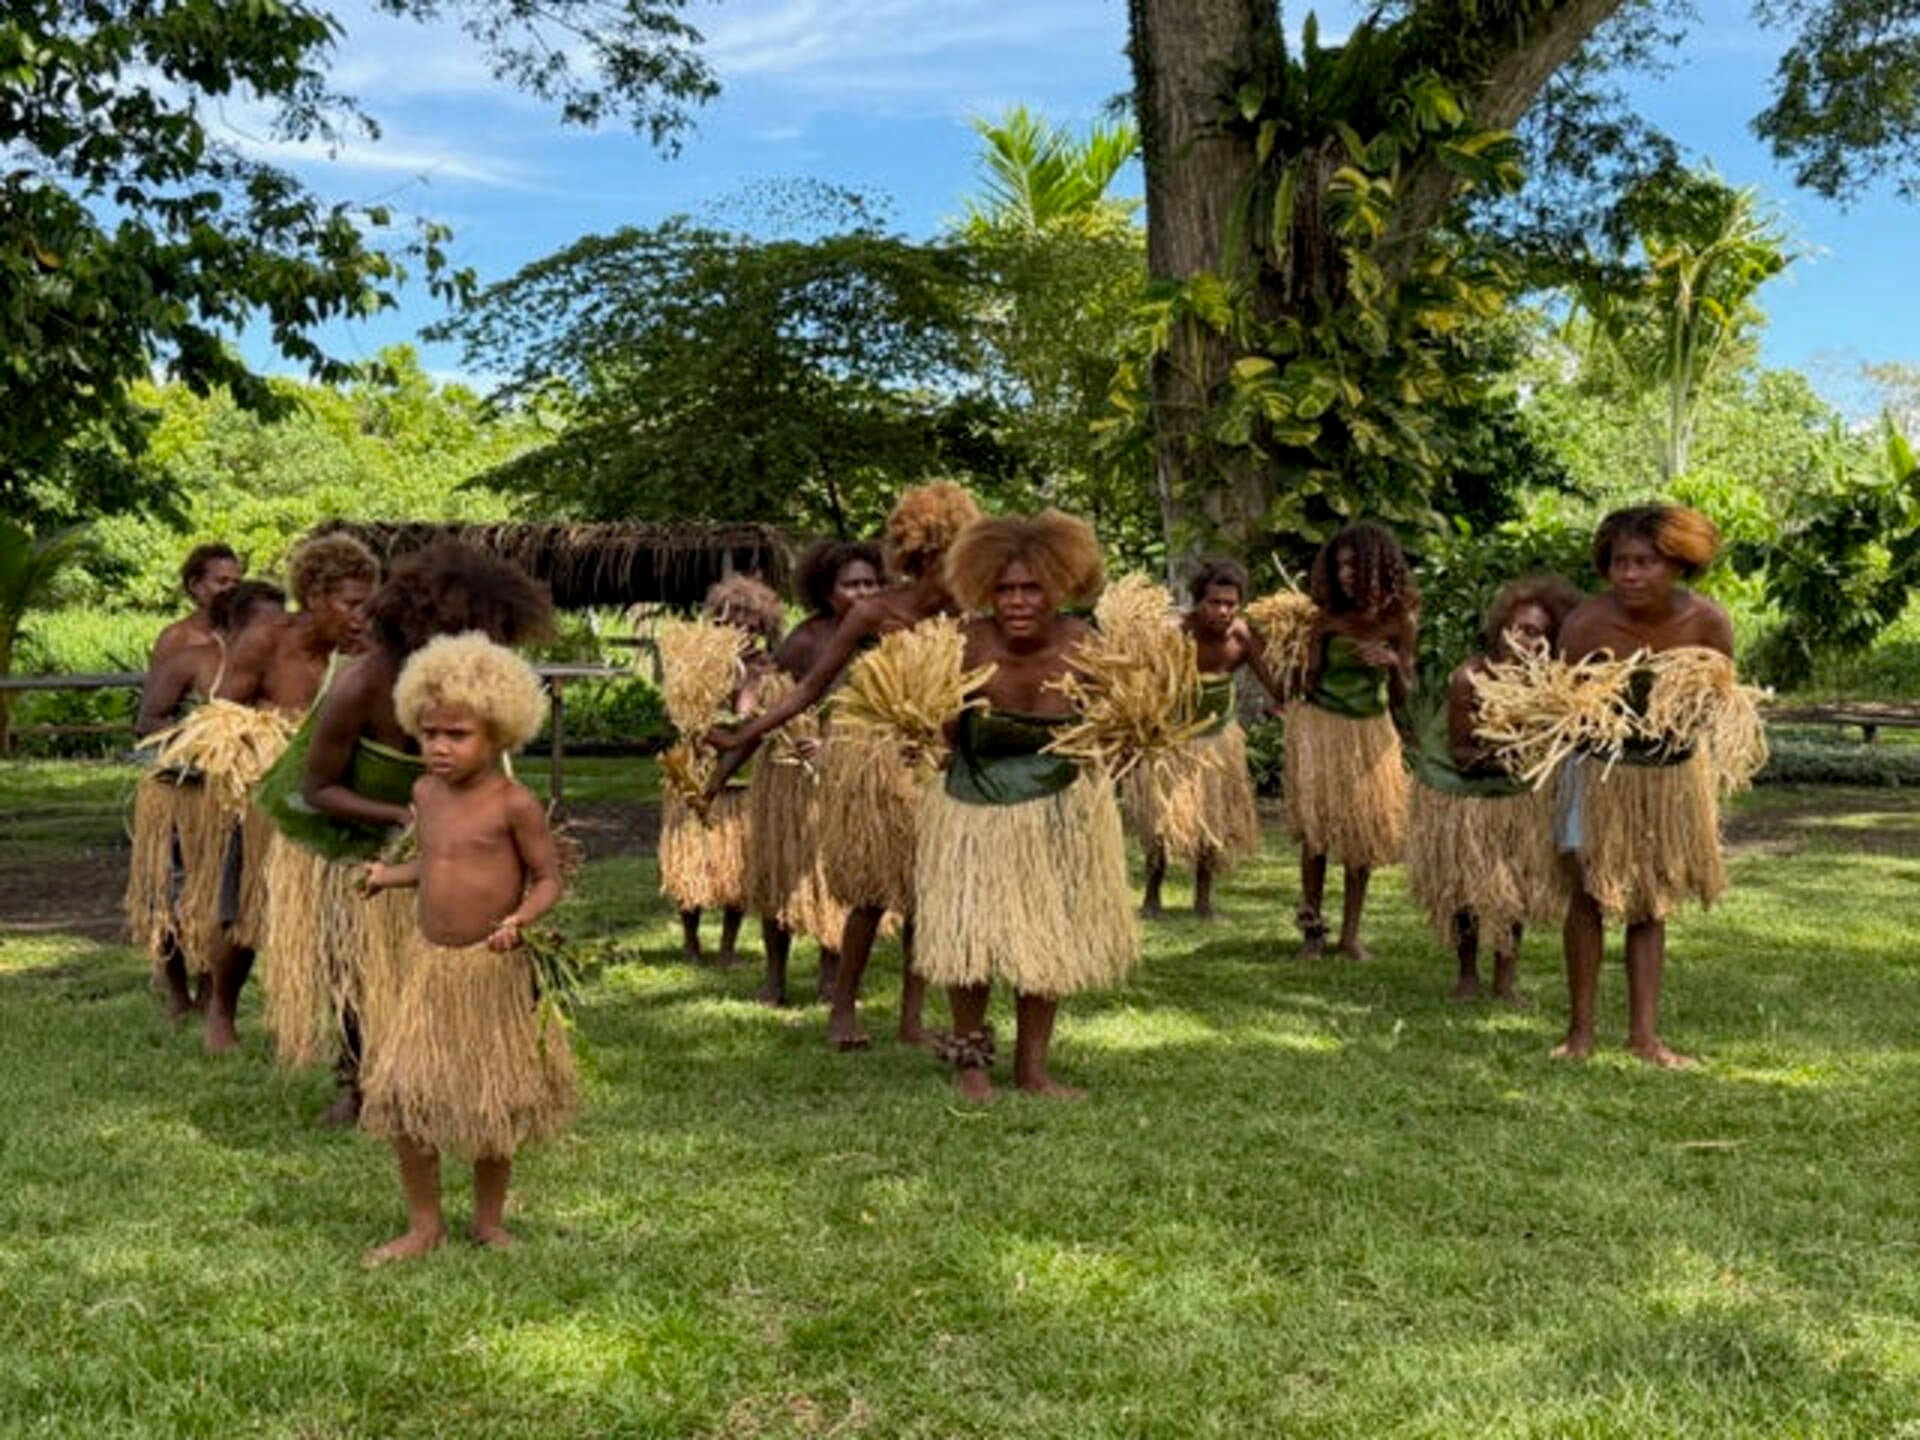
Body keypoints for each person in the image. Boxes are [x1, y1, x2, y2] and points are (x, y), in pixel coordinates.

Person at [255, 542, 553, 1124]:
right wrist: (399, 820)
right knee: (356, 971)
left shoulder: (471, 692)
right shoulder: (362, 684)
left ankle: (447, 1075)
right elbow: (318, 790)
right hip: (351, 843)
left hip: (446, 851)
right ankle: (356, 1082)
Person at [711, 482, 983, 1050]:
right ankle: (842, 1009)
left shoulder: (965, 621)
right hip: (869, 760)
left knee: (927, 893)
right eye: (952, 560)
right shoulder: (873, 613)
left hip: (934, 762)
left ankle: (911, 1020)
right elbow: (807, 689)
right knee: (873, 890)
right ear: (925, 558)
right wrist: (745, 734)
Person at [360, 632, 576, 1265]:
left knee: (493, 1099)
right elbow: (433, 864)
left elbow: (548, 879)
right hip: (432, 968)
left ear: (500, 734)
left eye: (457, 735)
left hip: (490, 969)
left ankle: (488, 1221)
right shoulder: (425, 796)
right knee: (406, 1098)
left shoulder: (515, 803)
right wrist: (385, 878)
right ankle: (424, 1223)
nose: (439, 747)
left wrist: (518, 920)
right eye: (429, 734)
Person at [914, 511, 1135, 1101]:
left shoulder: (1088, 648)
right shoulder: (963, 643)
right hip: (971, 807)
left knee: (1046, 938)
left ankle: (1032, 1070)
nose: (1015, 601)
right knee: (971, 937)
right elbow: (938, 736)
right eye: (1006, 588)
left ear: (1060, 587)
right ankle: (971, 1064)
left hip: (1058, 807)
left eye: (1031, 588)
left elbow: (1112, 731)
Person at [1553, 505, 1733, 1067]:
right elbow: (1563, 707)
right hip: (1594, 771)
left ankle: (1644, 1036)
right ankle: (1580, 1033)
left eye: (1644, 563)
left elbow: (1719, 702)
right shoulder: (1586, 624)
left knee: (1649, 902)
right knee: (1586, 894)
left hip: (1667, 777)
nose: (1628, 574)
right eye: (1619, 563)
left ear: (1678, 564)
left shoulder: (1708, 623)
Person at [1406, 575, 1583, 1005]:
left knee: (1514, 889)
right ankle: (1467, 975)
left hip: (1515, 797)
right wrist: (1518, 749)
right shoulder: (1469, 677)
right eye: (1516, 627)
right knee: (1463, 888)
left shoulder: (1548, 690)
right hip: (1460, 793)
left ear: (1551, 640)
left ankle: (1506, 979)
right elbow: (1464, 754)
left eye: (1533, 632)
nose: (1518, 639)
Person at [124, 581, 288, 1025]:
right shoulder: (191, 661)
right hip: (180, 796)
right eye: (266, 625)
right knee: (171, 897)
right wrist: (210, 737)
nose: (276, 634)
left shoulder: (279, 673)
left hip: (233, 802)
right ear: (236, 624)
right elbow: (148, 722)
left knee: (223, 902)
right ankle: (179, 995)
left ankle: (215, 995)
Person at [744, 539, 883, 1005]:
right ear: (827, 591)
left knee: (839, 877)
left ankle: (831, 977)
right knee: (782, 874)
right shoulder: (806, 639)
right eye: (851, 585)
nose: (863, 593)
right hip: (795, 774)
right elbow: (774, 701)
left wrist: (841, 745)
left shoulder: (885, 639)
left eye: (870, 583)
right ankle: (775, 977)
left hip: (853, 770)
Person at [1284, 523, 1417, 962]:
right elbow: (1304, 684)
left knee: (1363, 832)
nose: (1345, 574)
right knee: (1317, 833)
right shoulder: (1323, 619)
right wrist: (1302, 653)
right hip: (1323, 727)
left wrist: (1394, 663)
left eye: (1354, 565)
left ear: (1378, 566)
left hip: (1371, 732)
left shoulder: (1399, 620)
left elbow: (1405, 693)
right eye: (1339, 565)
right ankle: (1311, 930)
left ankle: (1350, 934)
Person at [1132, 559, 1284, 919]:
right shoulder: (1173, 633)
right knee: (1161, 820)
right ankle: (1152, 898)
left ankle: (1203, 901)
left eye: (1230, 603)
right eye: (1214, 602)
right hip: (1171, 740)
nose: (1222, 610)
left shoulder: (1242, 637)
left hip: (1217, 740)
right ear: (1198, 602)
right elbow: (1141, 683)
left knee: (1210, 819)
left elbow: (1277, 685)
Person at [659, 574, 785, 966]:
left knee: (737, 863)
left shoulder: (770, 668)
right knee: (691, 860)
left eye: (751, 620)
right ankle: (692, 940)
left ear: (765, 624)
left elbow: (768, 719)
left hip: (746, 776)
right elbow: (683, 715)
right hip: (696, 771)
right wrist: (717, 736)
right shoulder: (698, 664)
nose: (743, 627)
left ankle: (729, 945)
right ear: (719, 620)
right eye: (734, 619)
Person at [221, 532, 381, 714]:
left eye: (368, 605)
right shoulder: (265, 642)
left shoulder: (365, 658)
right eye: (351, 605)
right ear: (315, 598)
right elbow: (221, 721)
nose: (363, 616)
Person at [147, 543, 244, 670]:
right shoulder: (175, 639)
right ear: (194, 585)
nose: (231, 589)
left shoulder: (246, 634)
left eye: (236, 583)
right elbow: (157, 687)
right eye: (222, 581)